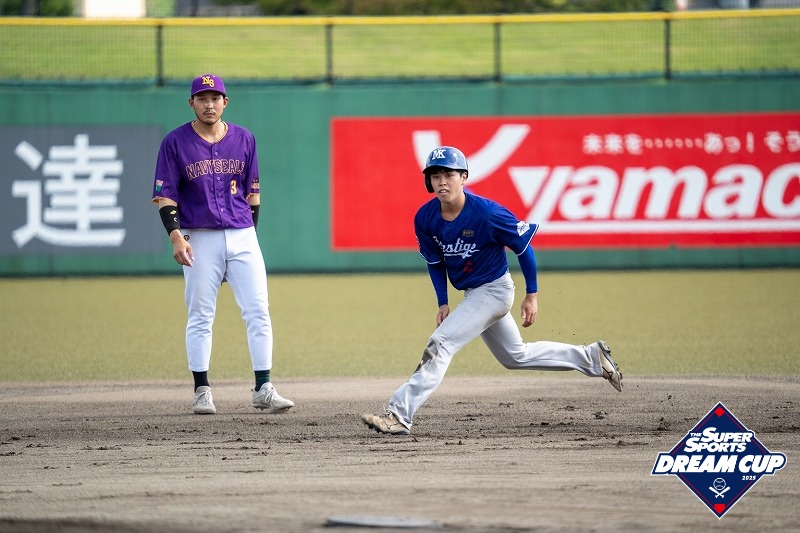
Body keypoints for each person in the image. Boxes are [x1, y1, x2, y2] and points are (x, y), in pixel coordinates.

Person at [361, 146, 622, 435]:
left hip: (495, 291)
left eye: (449, 174)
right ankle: (592, 357)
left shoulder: (487, 213)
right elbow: (435, 262)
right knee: (515, 356)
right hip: (475, 294)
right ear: (428, 181)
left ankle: (399, 415)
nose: (442, 181)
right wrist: (442, 301)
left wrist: (532, 294)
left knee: (441, 343)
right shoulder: (425, 217)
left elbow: (523, 248)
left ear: (463, 177)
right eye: (435, 176)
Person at [151, 73, 293, 415]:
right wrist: (175, 236)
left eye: (215, 98)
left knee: (258, 310)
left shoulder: (244, 138)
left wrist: (250, 237)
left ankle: (263, 387)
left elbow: (253, 193)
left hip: (242, 234)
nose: (209, 104)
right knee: (201, 314)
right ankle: (202, 390)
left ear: (225, 102)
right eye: (202, 98)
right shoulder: (175, 142)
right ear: (191, 103)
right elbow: (165, 195)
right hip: (198, 236)